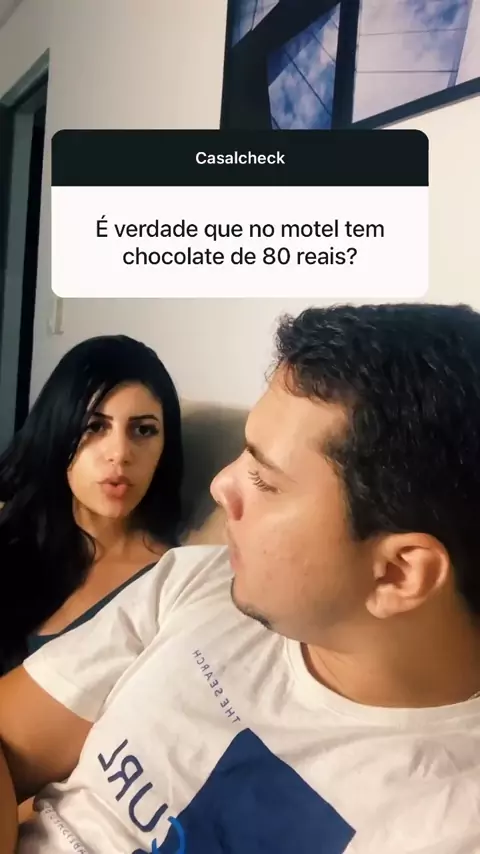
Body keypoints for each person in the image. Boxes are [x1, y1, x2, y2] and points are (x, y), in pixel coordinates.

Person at [1, 302, 480, 854]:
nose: (219, 486)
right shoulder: (196, 582)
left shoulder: (449, 821)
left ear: (398, 573)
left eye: (265, 479)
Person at [0, 335, 183, 674]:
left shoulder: (169, 583)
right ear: (58, 430)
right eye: (95, 426)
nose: (120, 454)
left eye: (144, 430)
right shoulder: (15, 533)